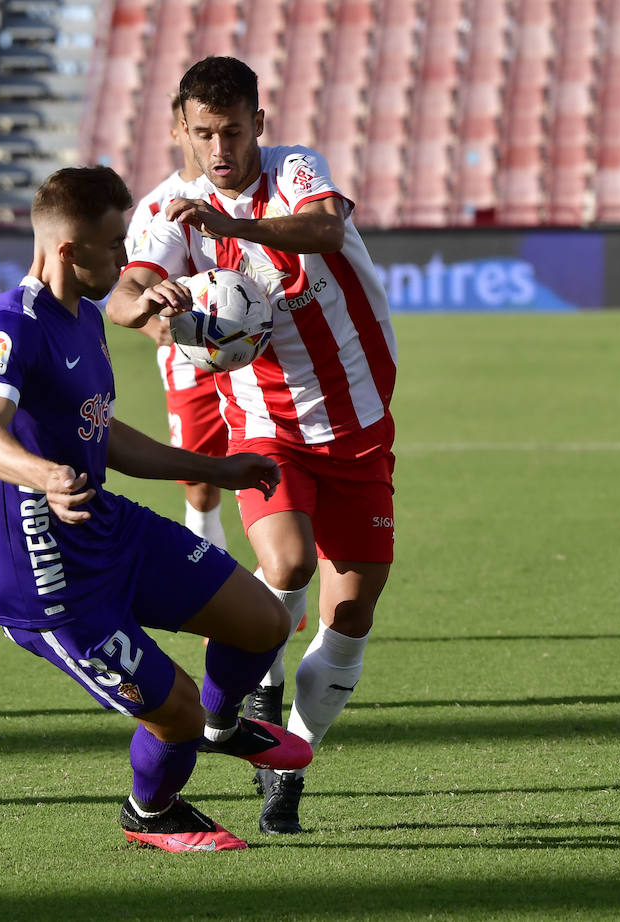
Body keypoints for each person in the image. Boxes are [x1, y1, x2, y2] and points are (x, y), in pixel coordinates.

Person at [0, 165, 312, 853]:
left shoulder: (86, 318)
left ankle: (222, 726)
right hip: (48, 578)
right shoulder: (12, 324)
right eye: (115, 244)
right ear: (69, 251)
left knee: (264, 622)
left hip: (109, 528)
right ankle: (150, 812)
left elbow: (106, 433)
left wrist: (215, 468)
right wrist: (46, 477)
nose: (126, 260)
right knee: (172, 714)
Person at [107, 56, 398, 835]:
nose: (219, 147)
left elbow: (326, 228)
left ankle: (292, 761)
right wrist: (150, 305)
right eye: (203, 133)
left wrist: (236, 228)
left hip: (362, 420)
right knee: (288, 564)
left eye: (232, 131)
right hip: (265, 418)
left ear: (258, 127)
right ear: (181, 129)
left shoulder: (296, 170)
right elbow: (123, 295)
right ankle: (253, 698)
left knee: (352, 617)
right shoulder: (169, 207)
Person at [122, 95, 231, 551]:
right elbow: (131, 289)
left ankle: (284, 584)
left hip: (257, 349)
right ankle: (217, 585)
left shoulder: (240, 194)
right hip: (189, 360)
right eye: (194, 130)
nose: (204, 140)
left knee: (276, 462)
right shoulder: (153, 208)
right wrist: (151, 327)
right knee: (198, 474)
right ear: (178, 132)